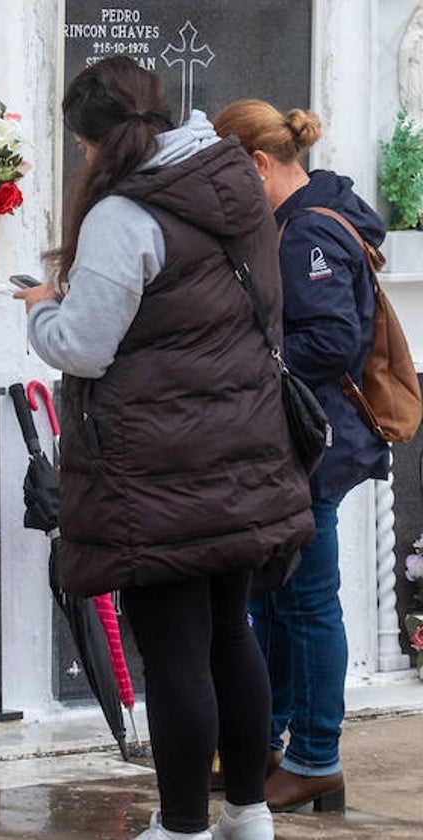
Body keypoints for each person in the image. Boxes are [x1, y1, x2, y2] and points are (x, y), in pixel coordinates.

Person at [14, 57, 314, 840]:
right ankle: (248, 815)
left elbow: (84, 347)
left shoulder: (124, 215)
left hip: (156, 474)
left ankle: (181, 826)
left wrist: (44, 309)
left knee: (176, 650)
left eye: (80, 146)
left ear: (96, 142)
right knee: (229, 633)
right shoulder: (236, 182)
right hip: (243, 451)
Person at [212, 99, 390, 813]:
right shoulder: (294, 224)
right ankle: (270, 739)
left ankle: (318, 756)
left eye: (230, 176)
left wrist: (243, 358)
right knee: (279, 599)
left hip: (314, 445)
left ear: (259, 165)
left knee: (309, 602)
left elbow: (332, 341)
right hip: (299, 442)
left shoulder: (305, 235)